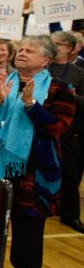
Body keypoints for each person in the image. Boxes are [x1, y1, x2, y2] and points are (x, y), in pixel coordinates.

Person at [0, 35, 74, 268]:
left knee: (28, 223)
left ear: (46, 60)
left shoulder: (60, 89)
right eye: (22, 48)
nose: (22, 53)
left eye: (30, 50)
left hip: (33, 169)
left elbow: (58, 126)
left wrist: (31, 106)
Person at [48, 31, 84, 233]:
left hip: (68, 131)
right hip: (41, 127)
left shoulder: (79, 74)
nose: (53, 46)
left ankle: (70, 216)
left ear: (70, 48)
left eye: (58, 44)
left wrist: (72, 96)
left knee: (70, 175)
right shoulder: (42, 66)